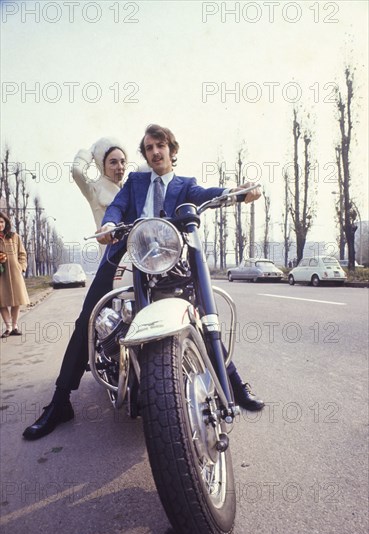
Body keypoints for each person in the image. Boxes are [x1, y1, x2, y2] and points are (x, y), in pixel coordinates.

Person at [22, 124, 264, 441]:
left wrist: (238, 193)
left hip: (170, 258)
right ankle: (59, 401)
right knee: (89, 317)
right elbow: (119, 204)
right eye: (148, 148)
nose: (154, 152)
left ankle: (233, 383)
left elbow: (206, 195)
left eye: (159, 146)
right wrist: (110, 222)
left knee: (202, 313)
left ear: (171, 150)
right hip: (127, 253)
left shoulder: (184, 184)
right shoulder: (135, 181)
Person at [72, 137, 127, 229]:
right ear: (102, 165)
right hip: (108, 243)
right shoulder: (94, 190)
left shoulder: (129, 187)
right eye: (113, 162)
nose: (120, 167)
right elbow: (77, 171)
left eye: (122, 161)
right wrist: (90, 152)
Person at [0, 212, 30, 338]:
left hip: (15, 273)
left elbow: (22, 254)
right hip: (1, 275)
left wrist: (21, 268)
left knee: (16, 300)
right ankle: (8, 328)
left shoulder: (14, 236)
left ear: (5, 222)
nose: (0, 224)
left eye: (1, 222)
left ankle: (15, 326)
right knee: (1, 302)